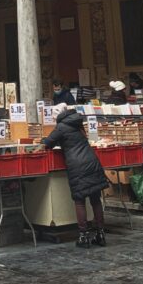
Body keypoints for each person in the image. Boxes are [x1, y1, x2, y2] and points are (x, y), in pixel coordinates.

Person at [43, 102, 109, 249]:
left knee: (79, 200)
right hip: (91, 162)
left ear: (58, 116)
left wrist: (41, 141)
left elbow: (47, 143)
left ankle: (83, 235)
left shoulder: (61, 127)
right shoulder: (77, 122)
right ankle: (100, 234)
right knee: (95, 200)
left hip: (77, 165)